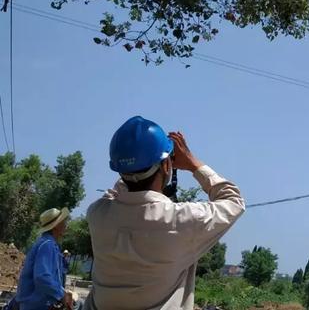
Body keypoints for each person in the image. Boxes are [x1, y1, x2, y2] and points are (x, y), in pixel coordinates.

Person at [84, 116, 245, 310]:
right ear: (167, 165)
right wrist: (193, 163)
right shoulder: (183, 221)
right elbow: (233, 201)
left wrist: (132, 166)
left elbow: (119, 192)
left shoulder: (97, 214)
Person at [13, 207, 75, 310]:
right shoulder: (47, 245)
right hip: (36, 304)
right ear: (56, 226)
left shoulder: (48, 243)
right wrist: (61, 295)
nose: (66, 224)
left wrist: (62, 292)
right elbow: (42, 277)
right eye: (63, 222)